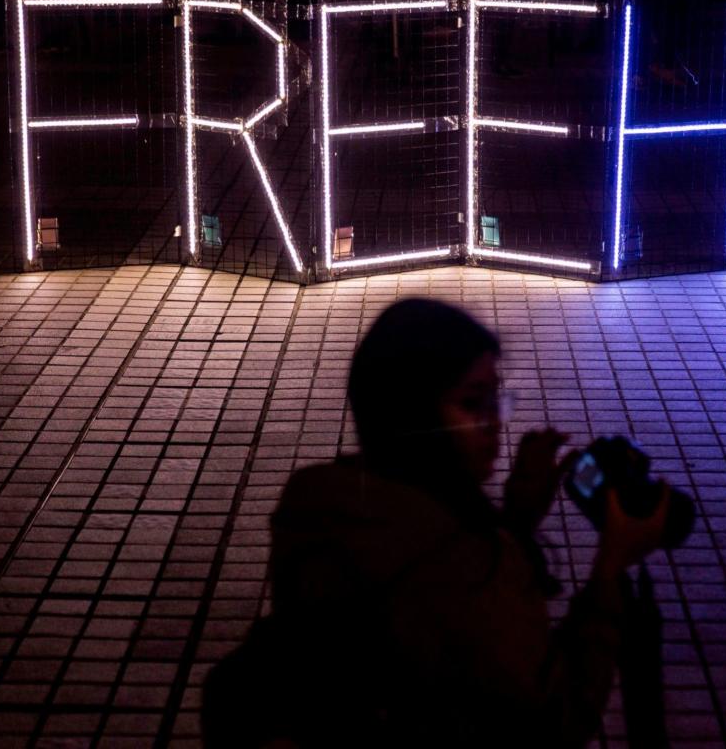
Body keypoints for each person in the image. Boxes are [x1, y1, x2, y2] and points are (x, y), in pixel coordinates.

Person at [202, 298, 672, 748]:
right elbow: (556, 719)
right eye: (472, 402)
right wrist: (610, 568)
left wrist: (515, 519)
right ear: (410, 410)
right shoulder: (467, 566)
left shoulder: (317, 499)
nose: (495, 423)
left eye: (496, 400)